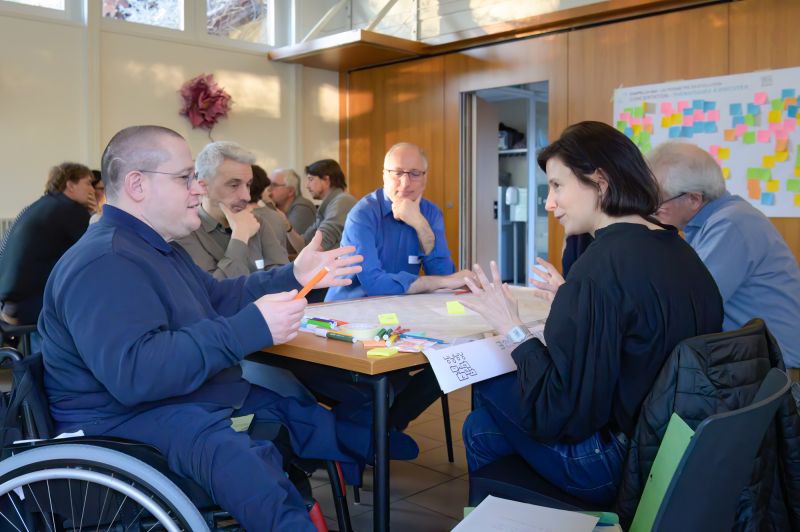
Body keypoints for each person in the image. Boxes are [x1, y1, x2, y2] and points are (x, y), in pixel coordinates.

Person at [38, 125, 369, 531]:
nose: (198, 189)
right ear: (137, 185)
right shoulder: (105, 262)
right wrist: (252, 327)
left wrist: (293, 275)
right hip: (119, 420)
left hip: (170, 401)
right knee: (249, 469)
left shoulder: (156, 247)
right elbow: (137, 374)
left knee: (298, 411)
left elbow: (215, 298)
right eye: (185, 178)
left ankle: (368, 446)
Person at [460, 121, 723, 506]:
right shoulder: (678, 250)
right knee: (480, 427)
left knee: (488, 382)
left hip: (615, 465)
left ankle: (522, 514)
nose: (549, 204)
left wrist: (511, 327)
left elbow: (559, 416)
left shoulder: (600, 268)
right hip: (676, 449)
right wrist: (572, 306)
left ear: (600, 183)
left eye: (557, 186)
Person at [648, 141, 800, 369]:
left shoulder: (731, 224)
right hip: (757, 363)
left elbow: (689, 306)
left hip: (779, 372)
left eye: (658, 201)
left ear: (693, 199)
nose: (651, 210)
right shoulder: (711, 222)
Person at [326, 142, 474, 301]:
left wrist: (420, 225)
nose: (405, 183)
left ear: (425, 177)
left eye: (415, 173)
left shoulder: (431, 213)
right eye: (397, 173)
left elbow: (445, 278)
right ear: (384, 175)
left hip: (398, 307)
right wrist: (439, 282)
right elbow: (375, 286)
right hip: (348, 310)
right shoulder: (362, 215)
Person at [176, 141, 289, 279]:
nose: (246, 196)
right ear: (203, 187)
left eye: (248, 185)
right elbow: (214, 294)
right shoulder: (184, 233)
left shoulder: (258, 223)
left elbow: (283, 280)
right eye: (234, 185)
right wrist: (240, 237)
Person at [0, 162, 94, 326]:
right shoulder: (69, 210)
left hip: (11, 305)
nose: (92, 190)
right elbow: (95, 252)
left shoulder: (44, 205)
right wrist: (94, 213)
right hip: (30, 306)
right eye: (87, 183)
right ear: (70, 185)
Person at [284, 159, 356, 252]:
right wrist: (287, 226)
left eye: (311, 179)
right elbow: (303, 246)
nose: (307, 185)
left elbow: (318, 246)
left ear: (326, 180)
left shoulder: (342, 201)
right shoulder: (328, 204)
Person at [268, 167, 317, 236]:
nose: (269, 189)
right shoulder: (276, 206)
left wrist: (268, 204)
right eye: (269, 184)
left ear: (291, 191)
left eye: (274, 185)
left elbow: (287, 242)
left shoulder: (303, 208)